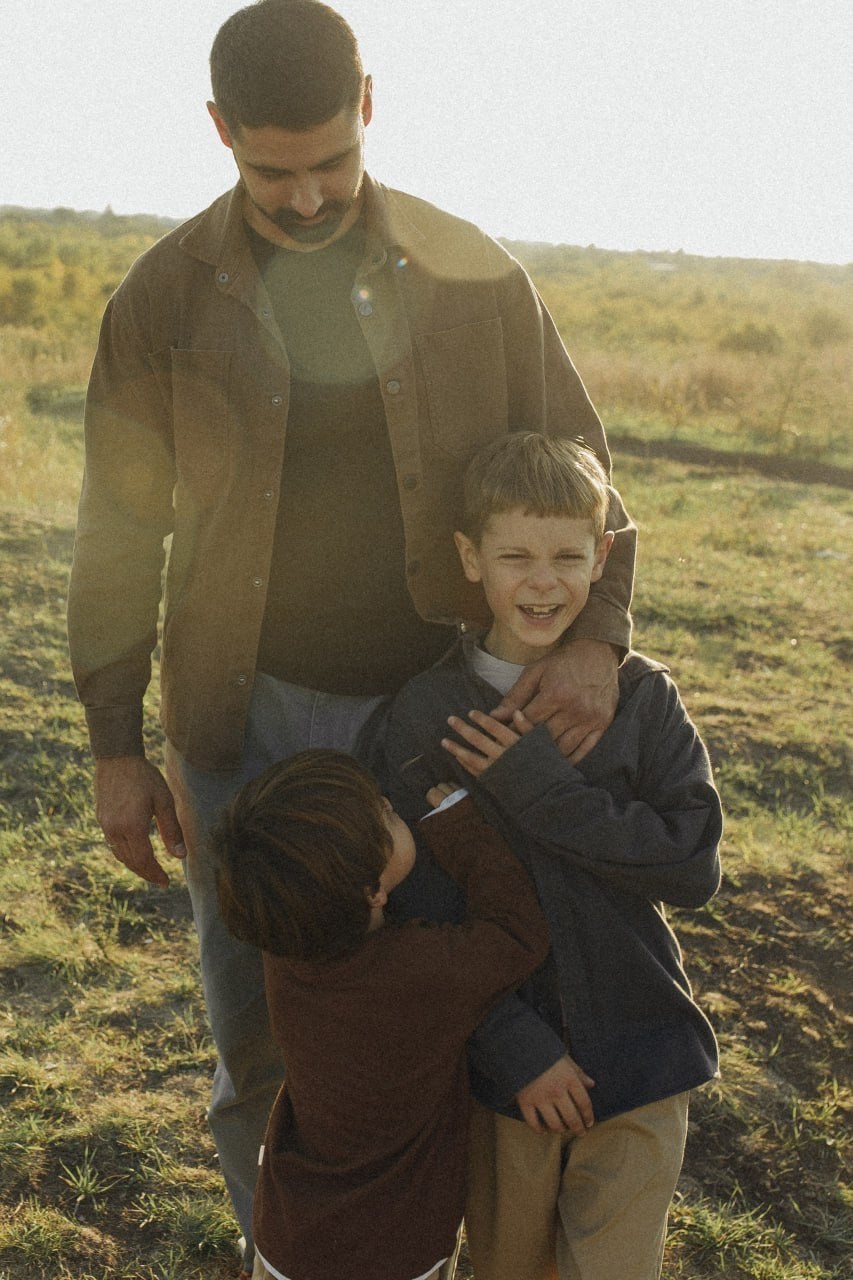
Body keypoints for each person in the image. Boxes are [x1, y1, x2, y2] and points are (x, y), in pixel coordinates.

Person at [66, 0, 636, 1269]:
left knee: (468, 1008)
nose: (309, 196)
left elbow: (583, 463)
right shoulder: (162, 296)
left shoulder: (469, 267)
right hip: (242, 722)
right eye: (272, 170)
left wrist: (593, 631)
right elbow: (115, 534)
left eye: (329, 159)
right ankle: (281, 1252)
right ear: (218, 132)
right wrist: (114, 743)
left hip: (444, 714)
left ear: (367, 103)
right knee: (263, 1037)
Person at [381, 433, 723, 1280]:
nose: (542, 581)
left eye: (568, 556)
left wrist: (538, 786)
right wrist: (511, 1047)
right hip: (508, 1083)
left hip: (644, 1055)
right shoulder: (427, 714)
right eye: (515, 556)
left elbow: (691, 866)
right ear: (470, 557)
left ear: (602, 555)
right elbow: (419, 911)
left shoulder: (642, 698)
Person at [211, 748, 550, 1280]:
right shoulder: (419, 969)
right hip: (396, 1247)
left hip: (290, 1237)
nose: (394, 805)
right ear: (372, 890)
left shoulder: (283, 946)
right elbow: (516, 934)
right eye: (386, 817)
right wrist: (461, 828)